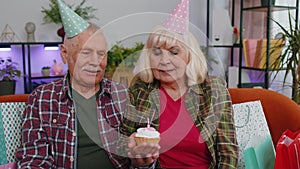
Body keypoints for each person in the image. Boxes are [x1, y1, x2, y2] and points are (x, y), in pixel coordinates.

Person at [16, 0, 145, 168]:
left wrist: (142, 159)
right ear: (64, 53)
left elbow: (141, 159)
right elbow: (32, 160)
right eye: (86, 52)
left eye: (101, 54)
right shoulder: (42, 99)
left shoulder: (122, 95)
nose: (95, 62)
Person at [119, 0, 239, 168]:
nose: (164, 61)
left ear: (190, 56)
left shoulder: (214, 90)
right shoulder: (140, 89)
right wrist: (137, 158)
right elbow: (123, 144)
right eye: (157, 52)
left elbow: (228, 154)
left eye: (174, 52)